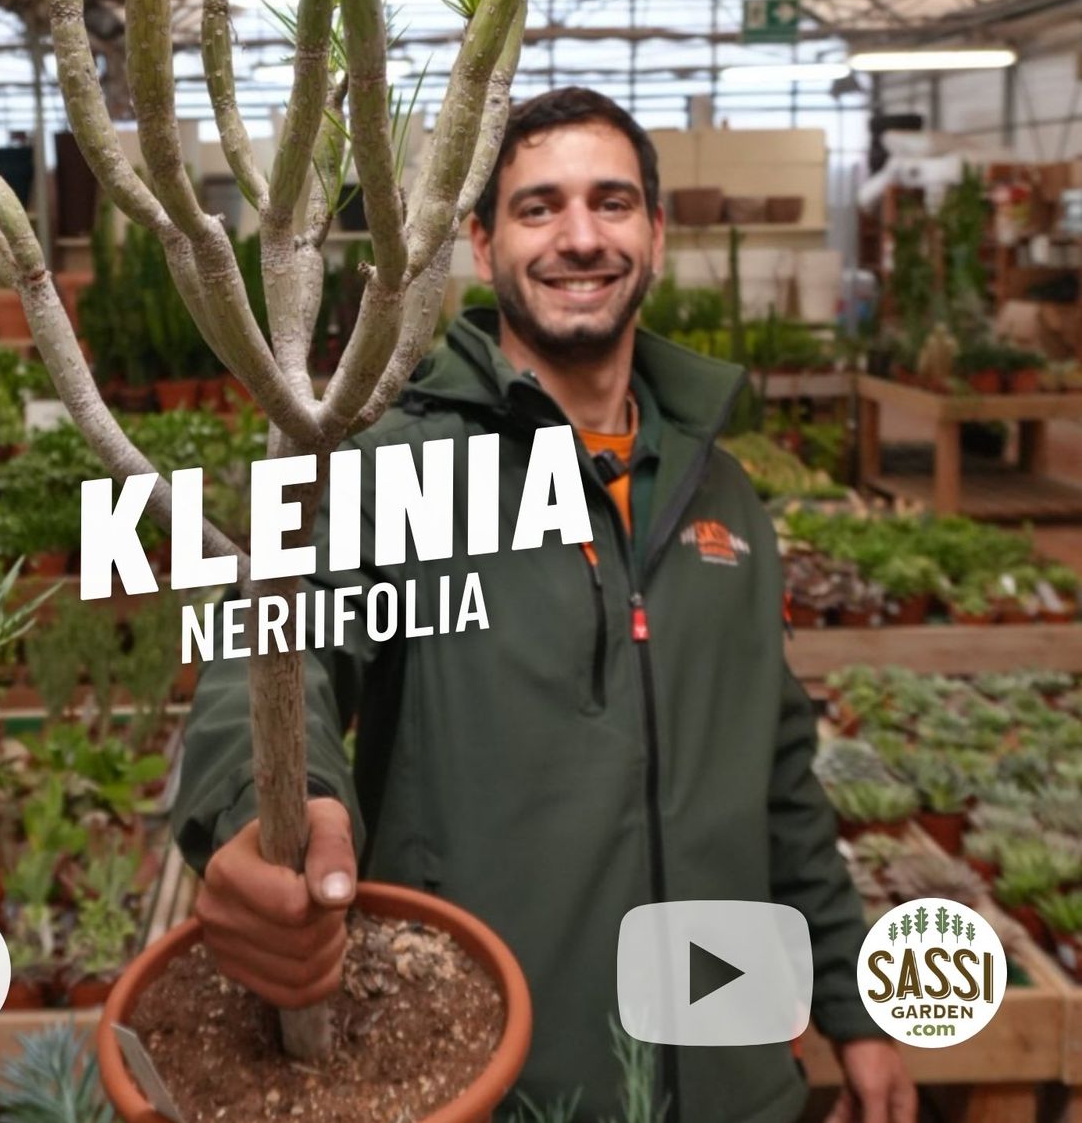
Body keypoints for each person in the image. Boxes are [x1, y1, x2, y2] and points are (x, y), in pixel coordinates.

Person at [173, 87, 915, 1123]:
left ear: (656, 235)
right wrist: (268, 815)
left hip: (732, 1082)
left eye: (612, 203)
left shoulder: (721, 494)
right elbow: (269, 647)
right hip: (500, 1080)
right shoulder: (401, 472)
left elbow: (779, 772)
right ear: (483, 245)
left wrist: (852, 1006)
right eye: (539, 207)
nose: (581, 237)